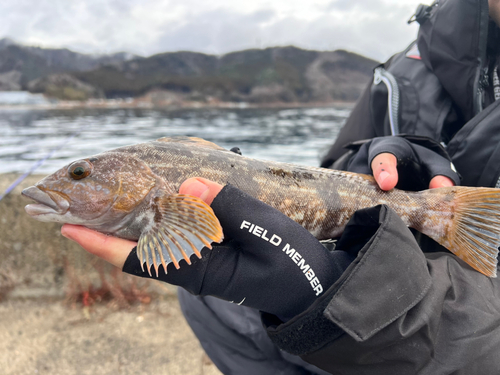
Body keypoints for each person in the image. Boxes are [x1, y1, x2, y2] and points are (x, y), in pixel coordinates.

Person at [61, 0, 500, 373]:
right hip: (377, 263)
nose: (69, 183)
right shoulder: (404, 70)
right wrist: (368, 157)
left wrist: (352, 297)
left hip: (438, 325)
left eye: (80, 173)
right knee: (206, 300)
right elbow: (325, 173)